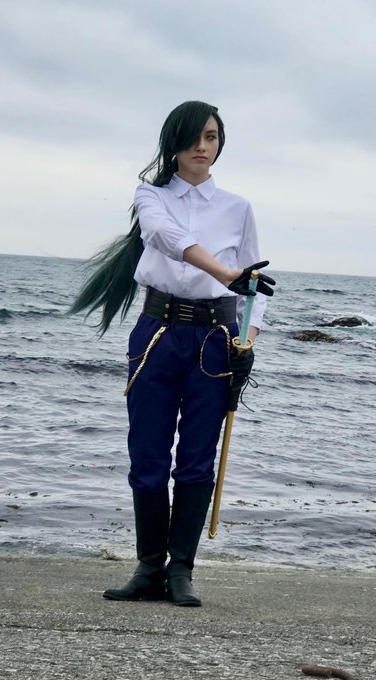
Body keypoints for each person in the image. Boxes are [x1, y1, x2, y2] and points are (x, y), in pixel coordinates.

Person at [69, 100, 275, 607]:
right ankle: (148, 569)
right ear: (173, 143)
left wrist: (248, 341)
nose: (202, 147)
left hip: (215, 338)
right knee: (147, 453)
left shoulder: (238, 208)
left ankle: (181, 571)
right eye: (192, 137)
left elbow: (252, 285)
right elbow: (164, 237)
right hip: (156, 333)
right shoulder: (151, 196)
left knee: (198, 458)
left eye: (211, 137)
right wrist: (223, 273)